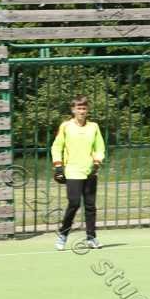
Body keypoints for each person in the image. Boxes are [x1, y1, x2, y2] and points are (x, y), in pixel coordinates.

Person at [52, 96, 105, 250]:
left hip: (90, 171)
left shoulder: (94, 127)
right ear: (73, 110)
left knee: (90, 206)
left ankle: (91, 237)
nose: (82, 111)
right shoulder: (66, 126)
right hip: (72, 170)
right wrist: (58, 166)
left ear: (87, 110)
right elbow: (57, 147)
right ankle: (63, 235)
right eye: (79, 108)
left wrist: (97, 162)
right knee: (74, 203)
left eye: (84, 108)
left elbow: (99, 147)